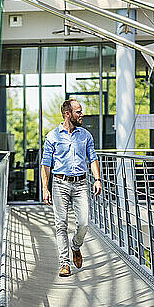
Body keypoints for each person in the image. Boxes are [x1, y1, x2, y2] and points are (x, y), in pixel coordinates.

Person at [41, 99, 102, 277]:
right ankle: (64, 263)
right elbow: (46, 164)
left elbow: (93, 158)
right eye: (78, 112)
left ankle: (75, 246)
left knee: (83, 223)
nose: (81, 114)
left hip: (81, 183)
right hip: (60, 183)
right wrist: (45, 188)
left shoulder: (86, 135)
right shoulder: (53, 136)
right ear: (68, 114)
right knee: (61, 225)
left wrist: (97, 179)